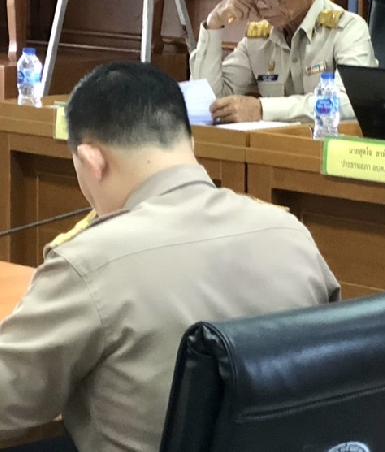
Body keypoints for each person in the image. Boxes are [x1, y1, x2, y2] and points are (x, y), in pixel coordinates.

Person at [0, 62, 341, 451]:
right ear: (190, 144)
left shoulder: (91, 262)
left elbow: (9, 398)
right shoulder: (291, 235)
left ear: (93, 161)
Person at [190, 0, 377, 123]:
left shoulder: (348, 30)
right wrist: (213, 25)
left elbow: (350, 101)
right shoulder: (258, 38)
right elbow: (210, 101)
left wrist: (264, 109)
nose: (262, 3)